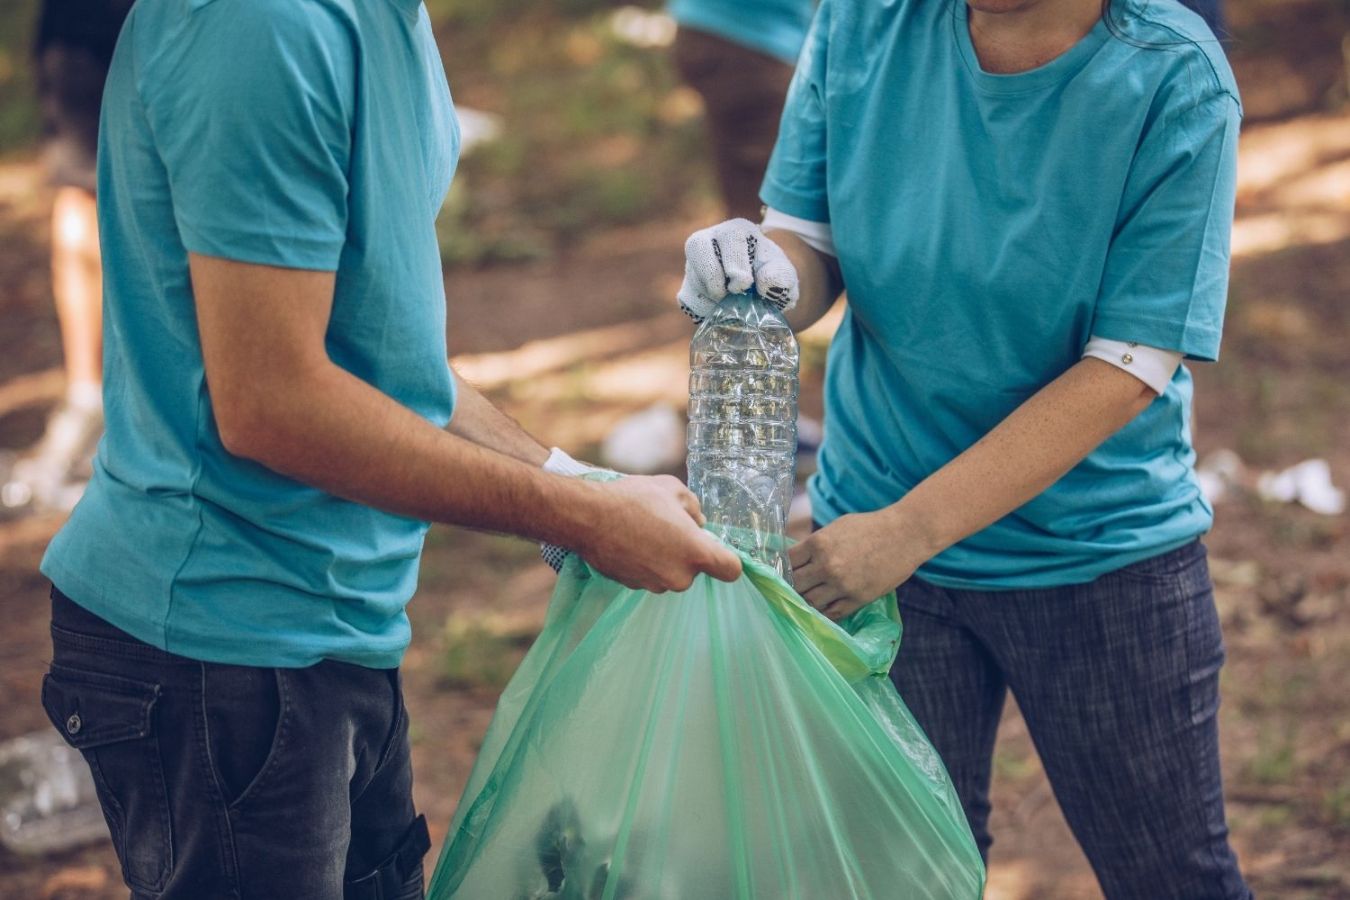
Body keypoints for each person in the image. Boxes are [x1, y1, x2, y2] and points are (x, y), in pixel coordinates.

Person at [37, 0, 741, 897]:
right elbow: (273, 403)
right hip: (220, 644)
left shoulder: (384, 17)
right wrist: (584, 517)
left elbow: (381, 360)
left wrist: (580, 488)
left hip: (337, 626)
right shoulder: (259, 28)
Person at [676, 0, 1250, 896]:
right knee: (904, 879)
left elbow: (1125, 368)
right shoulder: (865, 21)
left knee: (1171, 875)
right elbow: (809, 243)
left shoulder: (1176, 76)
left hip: (1095, 556)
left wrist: (911, 530)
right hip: (876, 541)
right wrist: (754, 274)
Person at [0, 0, 132, 517]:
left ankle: (113, 413)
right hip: (84, 28)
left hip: (177, 24)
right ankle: (90, 405)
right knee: (81, 199)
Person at [668, 0, 816, 219]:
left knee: (745, 182)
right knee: (773, 197)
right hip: (753, 40)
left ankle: (743, 240)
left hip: (706, 27)